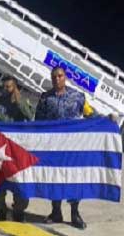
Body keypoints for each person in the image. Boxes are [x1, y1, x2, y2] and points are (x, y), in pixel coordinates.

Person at [35, 66, 89, 230]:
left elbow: (89, 114)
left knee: (73, 179)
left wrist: (107, 120)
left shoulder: (78, 97)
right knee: (54, 179)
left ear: (65, 77)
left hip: (72, 146)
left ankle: (75, 213)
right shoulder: (45, 98)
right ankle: (56, 212)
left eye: (60, 76)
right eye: (54, 77)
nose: (57, 79)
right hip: (53, 147)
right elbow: (38, 122)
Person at [0, 76, 34, 222]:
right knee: (0, 181)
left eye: (9, 87)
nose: (6, 89)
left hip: (17, 149)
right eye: (4, 86)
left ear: (15, 87)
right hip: (0, 149)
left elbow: (30, 116)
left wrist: (19, 102)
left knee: (19, 181)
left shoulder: (23, 102)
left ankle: (19, 210)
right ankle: (1, 210)